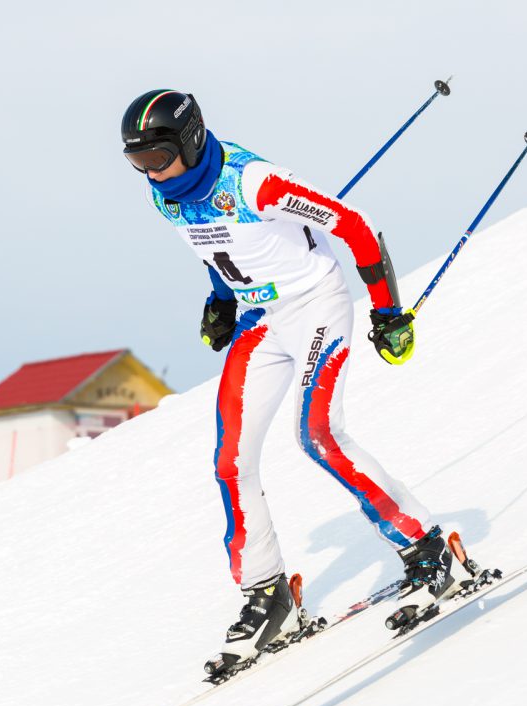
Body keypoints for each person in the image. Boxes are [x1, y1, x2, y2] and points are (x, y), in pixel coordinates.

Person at [121, 89, 461, 676]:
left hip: (314, 306)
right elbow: (216, 245)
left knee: (318, 434)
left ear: (191, 139)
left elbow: (356, 226)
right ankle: (268, 594)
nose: (151, 171)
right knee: (231, 461)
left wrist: (386, 311)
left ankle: (427, 549)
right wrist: (221, 302)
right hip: (259, 320)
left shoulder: (257, 183)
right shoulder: (166, 198)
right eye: (138, 161)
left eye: (157, 156)